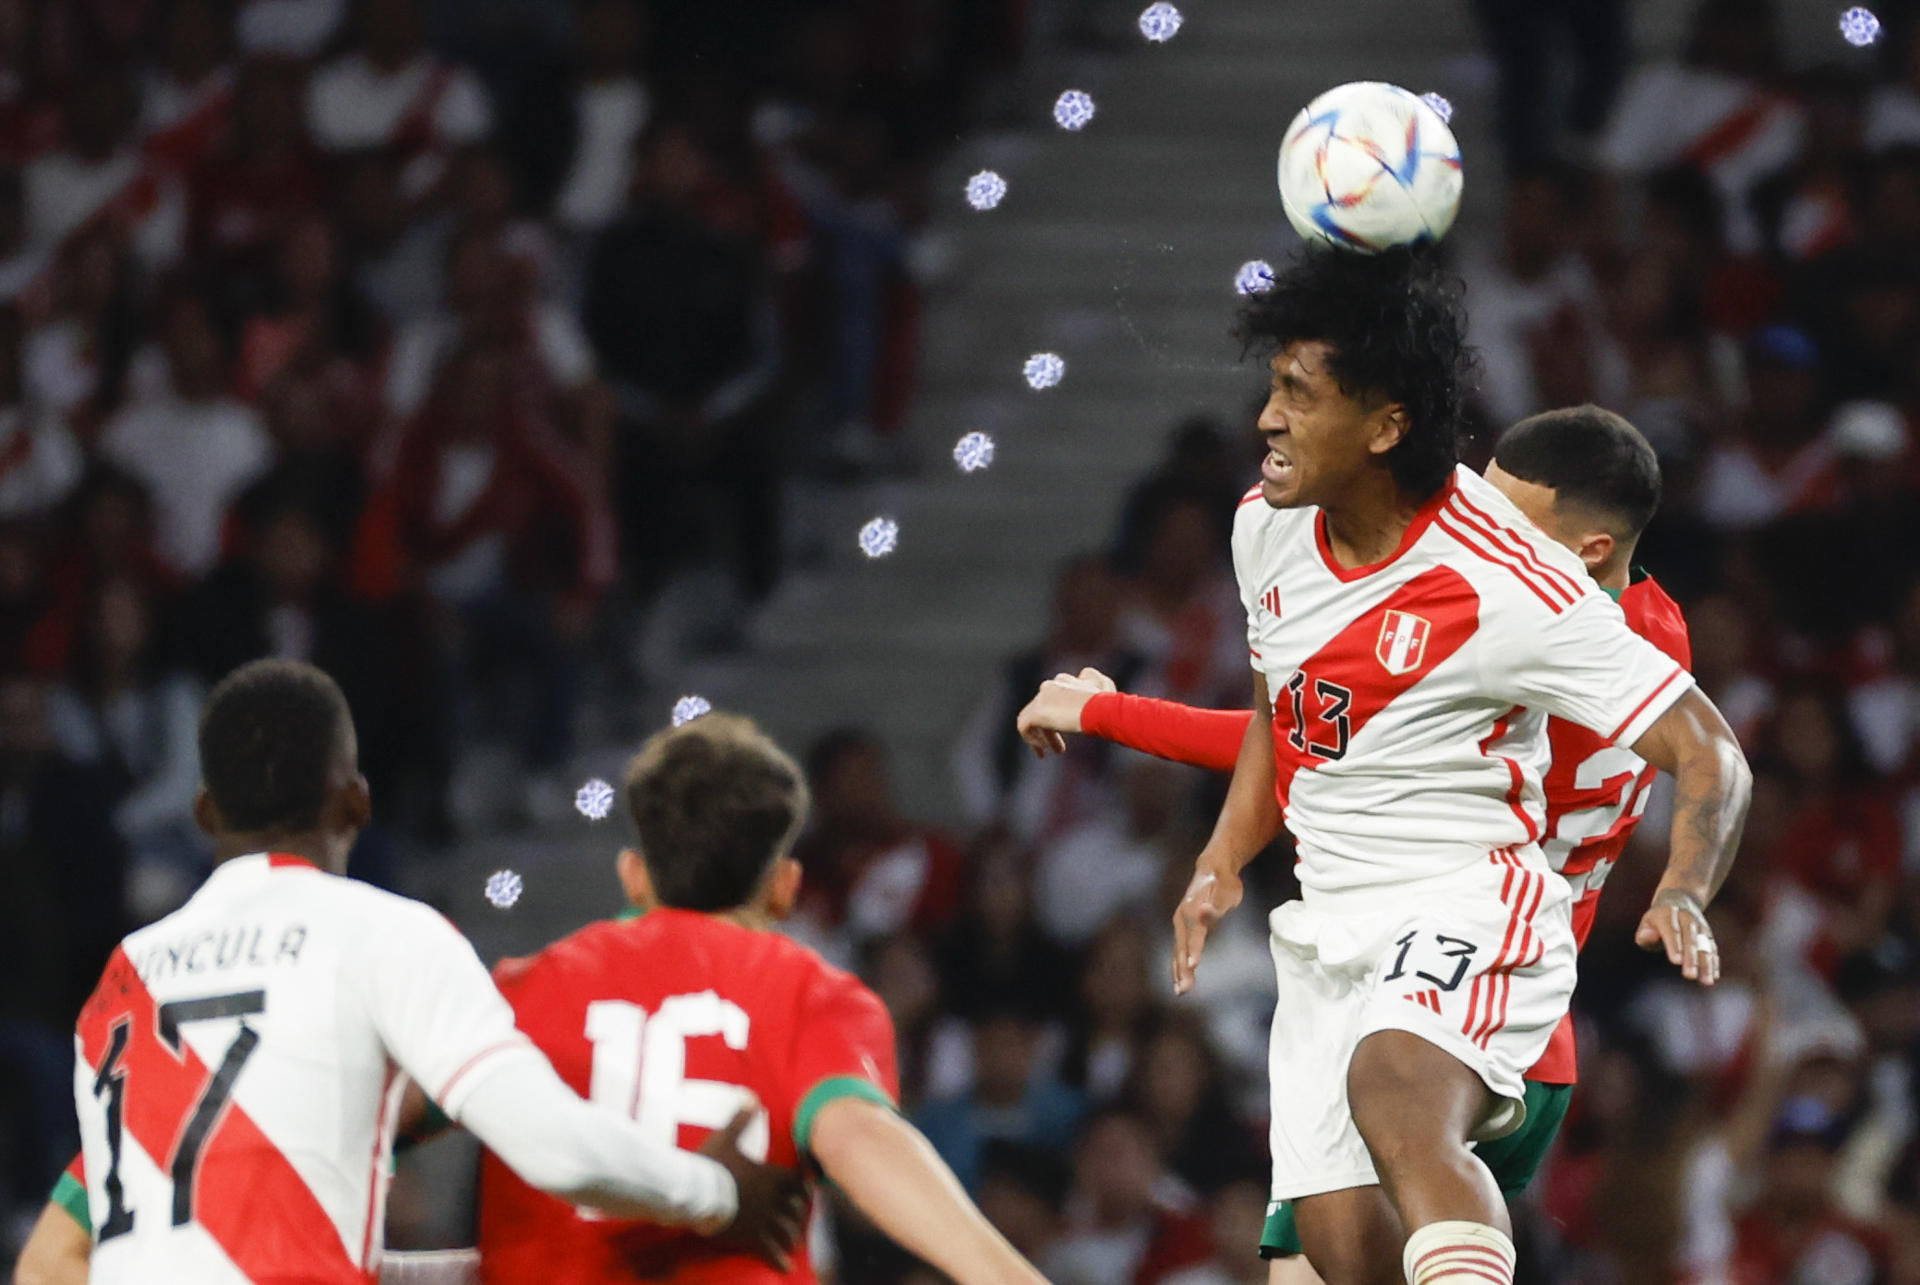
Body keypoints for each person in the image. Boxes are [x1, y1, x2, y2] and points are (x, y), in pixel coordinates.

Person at [1025, 247, 1752, 1285]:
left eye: (1297, 393)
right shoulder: (1273, 533)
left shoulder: (1540, 608)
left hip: (1485, 952)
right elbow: (1311, 732)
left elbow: (1709, 753)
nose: (1482, 511)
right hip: (1344, 937)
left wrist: (1685, 884)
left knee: (1395, 1081)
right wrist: (1223, 852)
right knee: (1324, 1253)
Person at [68, 659, 804, 1283]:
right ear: (356, 799)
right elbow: (553, 1146)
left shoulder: (123, 979)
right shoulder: (381, 934)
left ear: (204, 811)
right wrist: (716, 1190)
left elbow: (193, 1250)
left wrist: (468, 1270)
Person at [475, 711, 1050, 1285]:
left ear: (632, 875)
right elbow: (860, 1138)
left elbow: (393, 1122)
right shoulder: (816, 994)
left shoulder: (517, 988)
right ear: (784, 888)